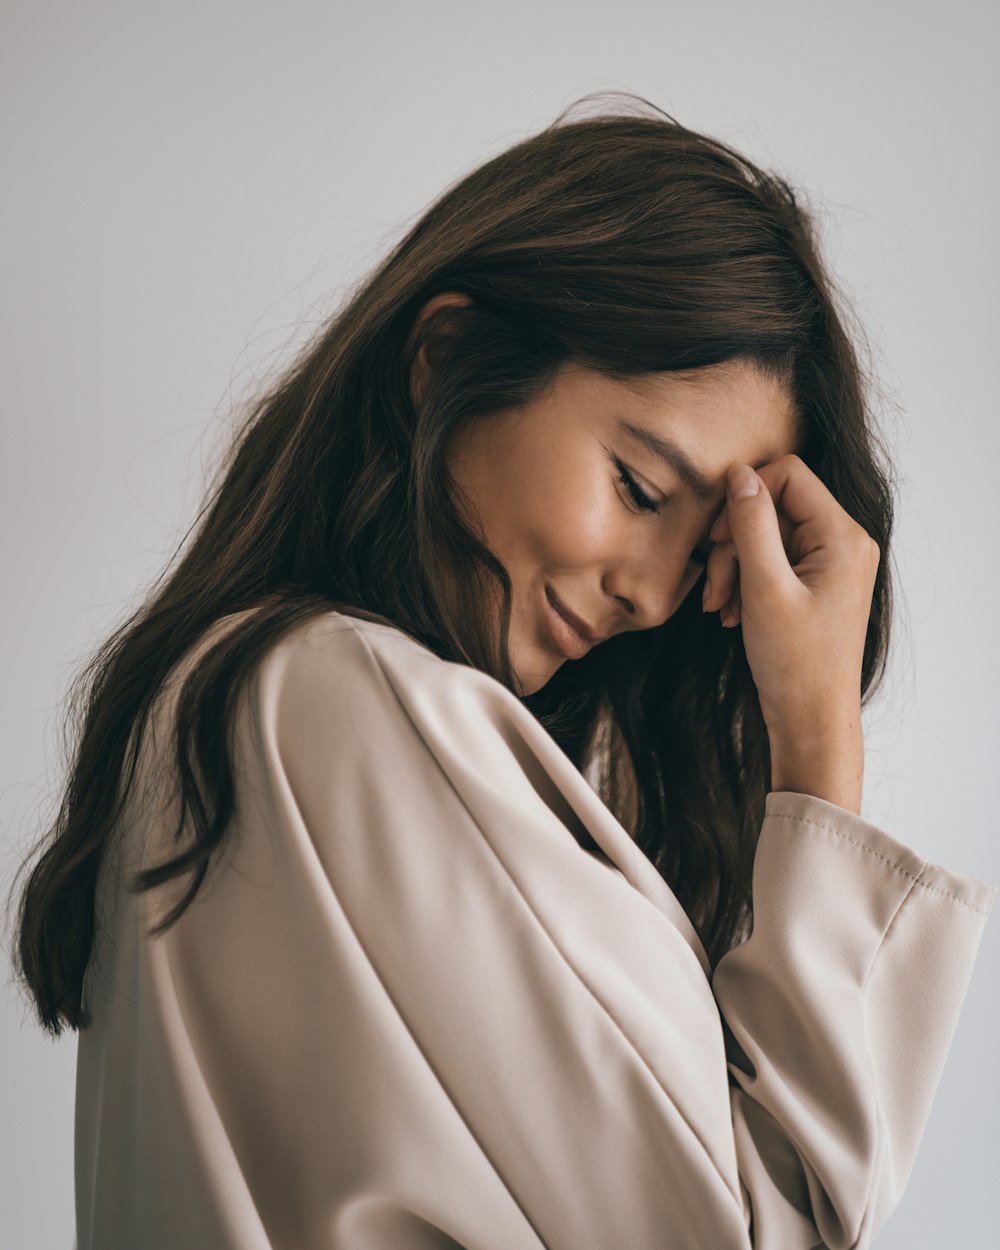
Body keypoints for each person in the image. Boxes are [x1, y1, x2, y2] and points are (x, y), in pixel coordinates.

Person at [12, 93, 996, 1249]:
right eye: (638, 488)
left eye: (701, 554)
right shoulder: (323, 701)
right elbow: (753, 1228)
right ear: (448, 357)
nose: (649, 593)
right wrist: (817, 740)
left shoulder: (254, 701)